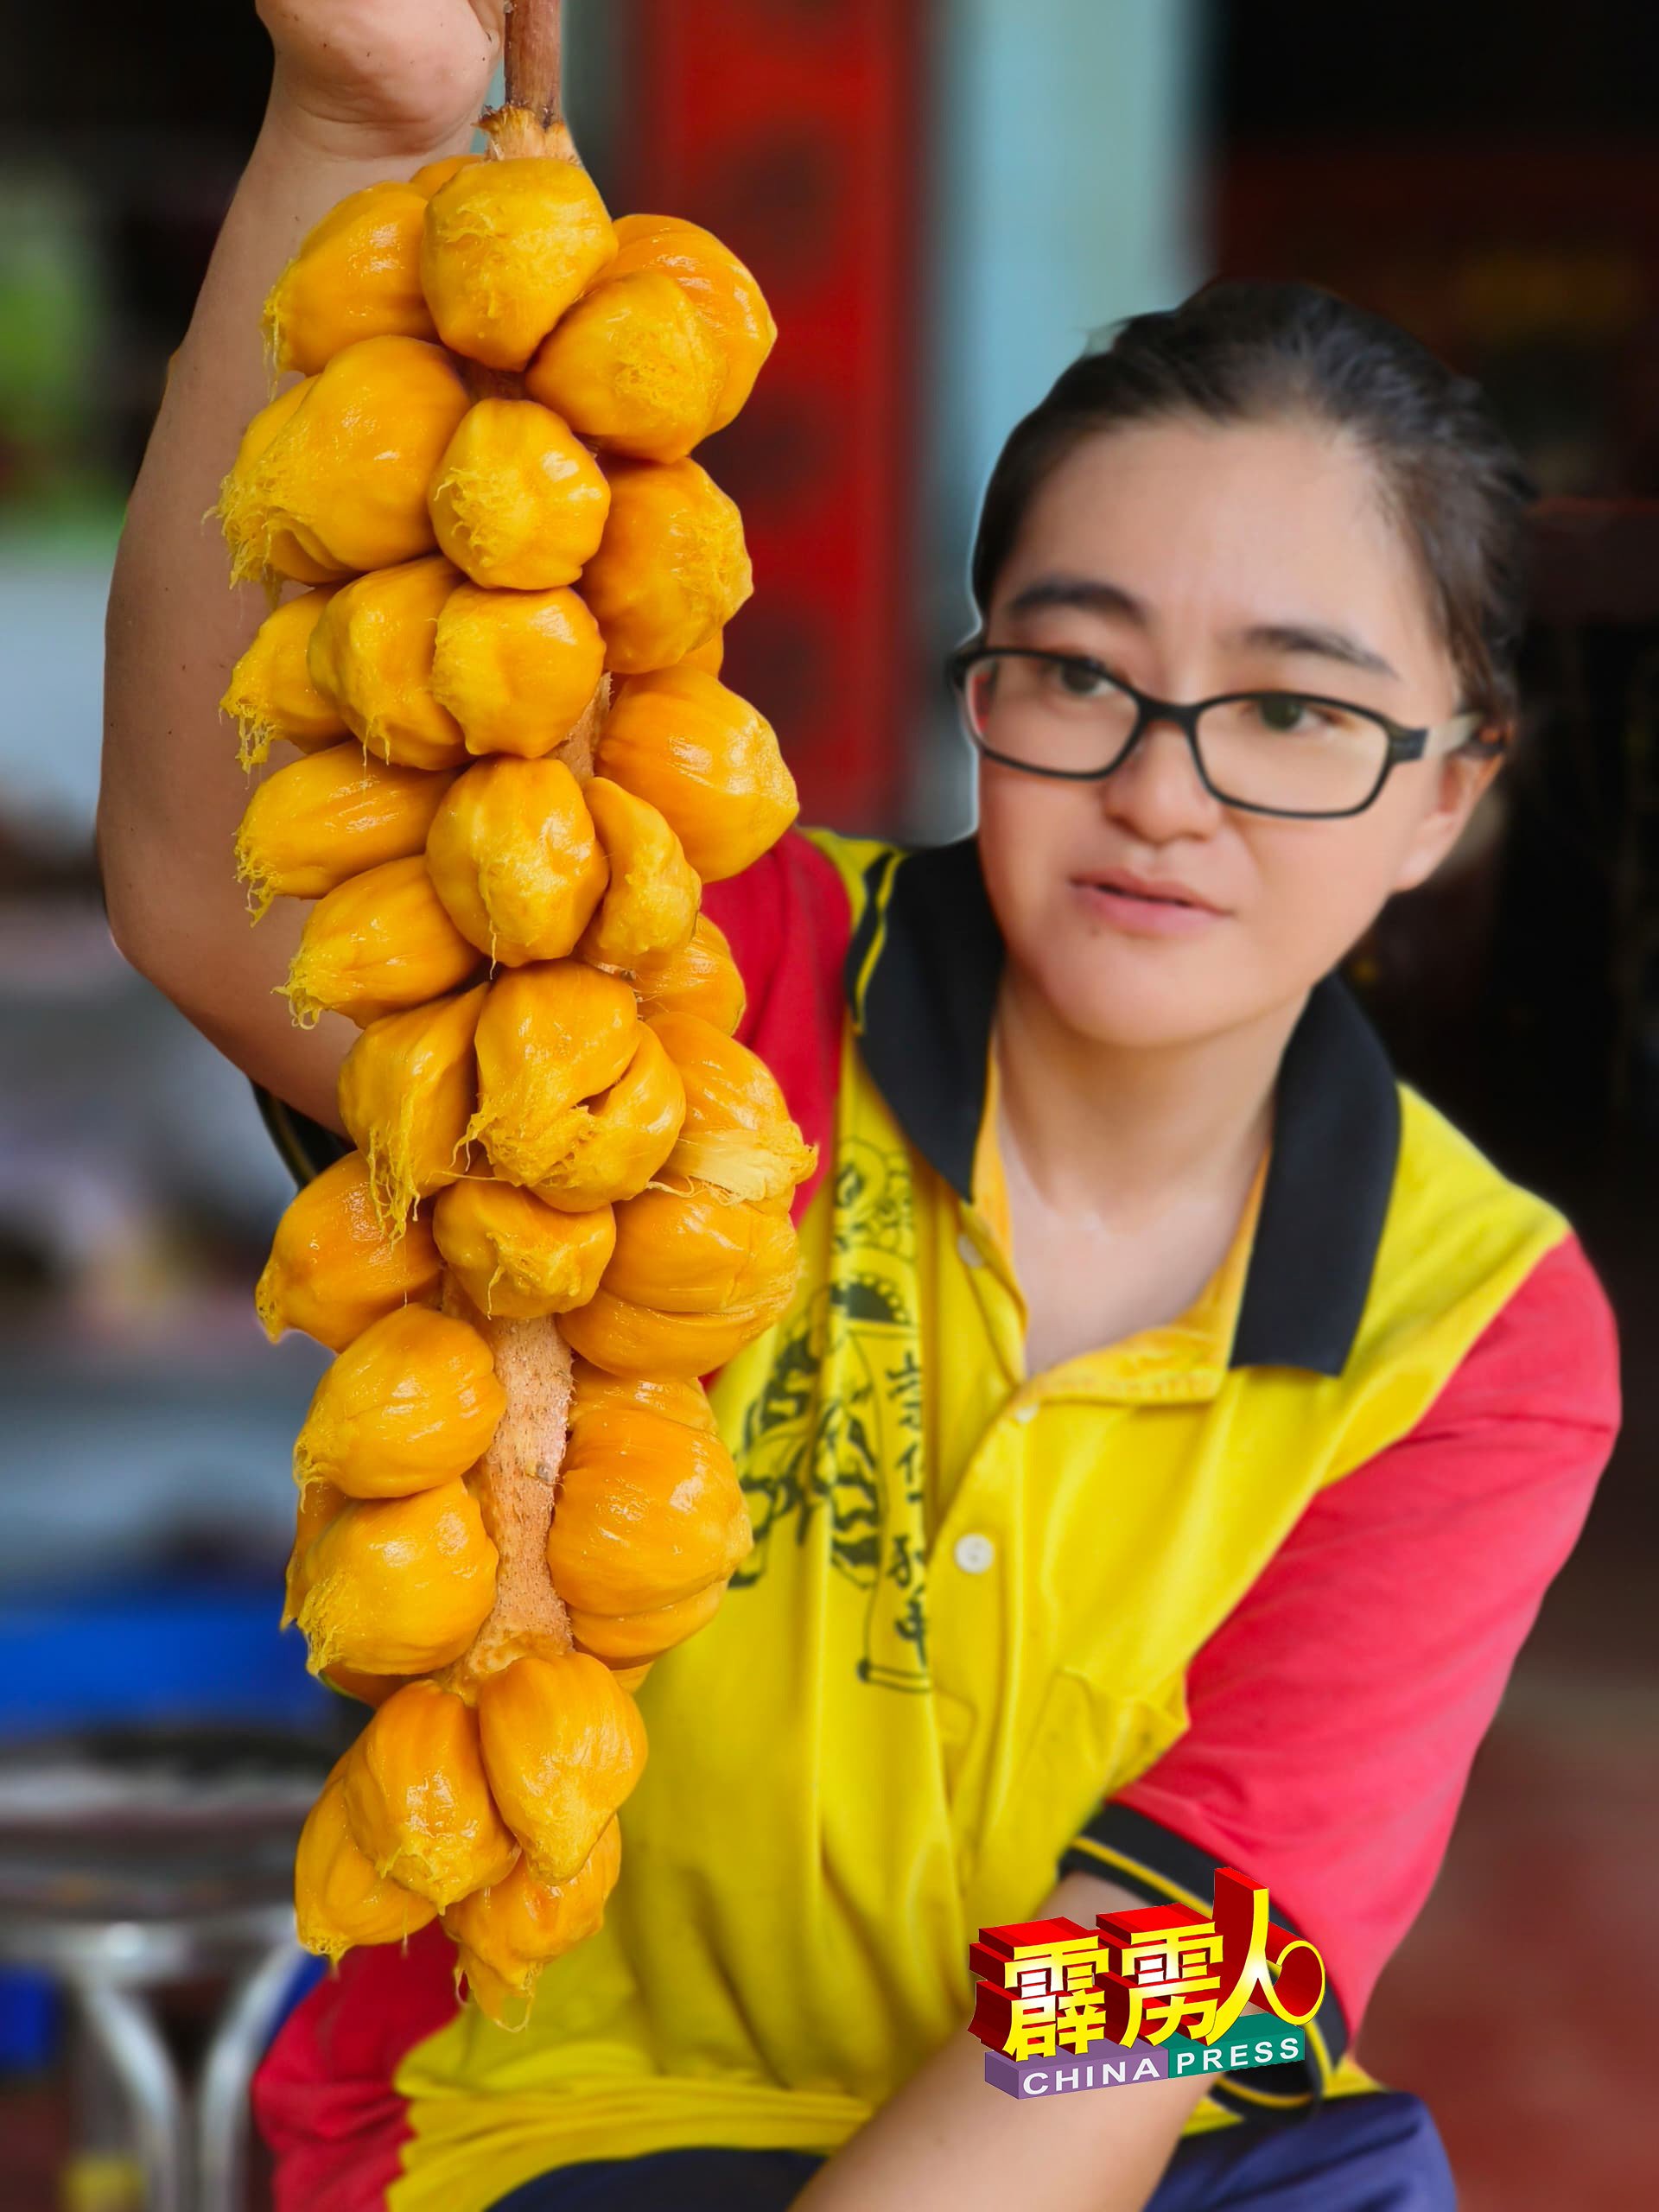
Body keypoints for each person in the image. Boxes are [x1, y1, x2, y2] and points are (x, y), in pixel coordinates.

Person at [98, 5, 1621, 2209]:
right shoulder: (730, 971)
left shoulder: (1476, 1324)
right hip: (576, 2108)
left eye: (1294, 710)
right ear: (977, 684)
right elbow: (203, 878)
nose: (1163, 787)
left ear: (1448, 794)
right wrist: (362, 123)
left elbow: (1164, 1970)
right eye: (1078, 669)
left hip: (1127, 2128)